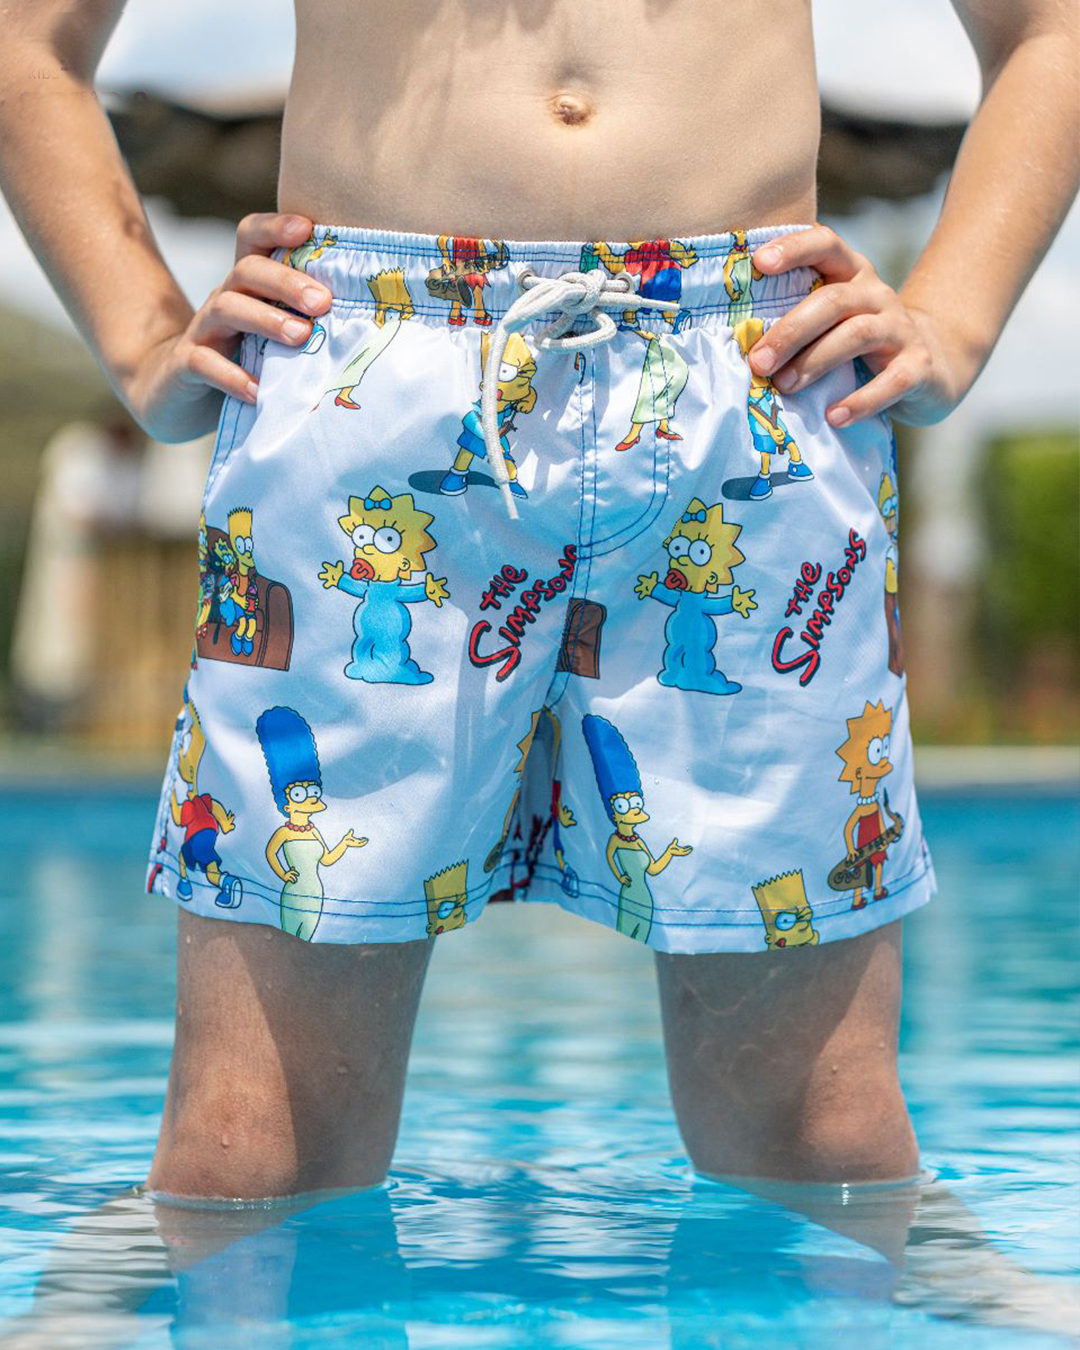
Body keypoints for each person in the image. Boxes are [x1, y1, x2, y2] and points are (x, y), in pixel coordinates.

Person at [0, 0, 1075, 1205]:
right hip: (375, 375)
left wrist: (953, 319)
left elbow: (1049, 28)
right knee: (248, 1146)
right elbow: (25, 38)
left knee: (823, 1137)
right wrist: (141, 337)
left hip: (749, 383)